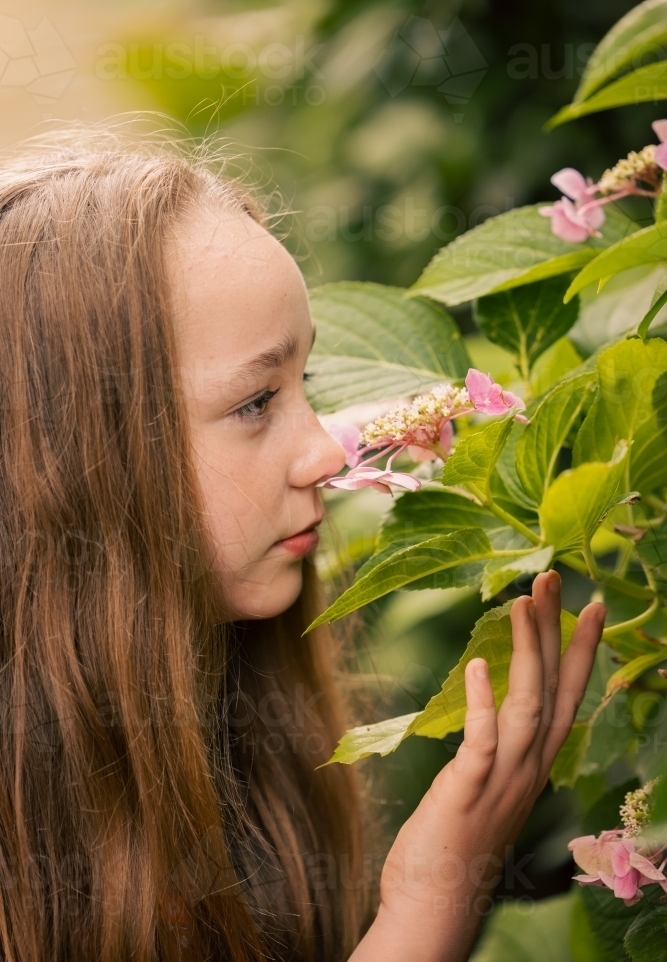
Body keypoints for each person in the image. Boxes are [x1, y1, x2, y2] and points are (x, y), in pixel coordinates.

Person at [0, 121, 605, 962]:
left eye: (305, 384)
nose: (326, 452)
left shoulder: (217, 714)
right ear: (74, 462)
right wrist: (428, 909)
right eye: (255, 403)